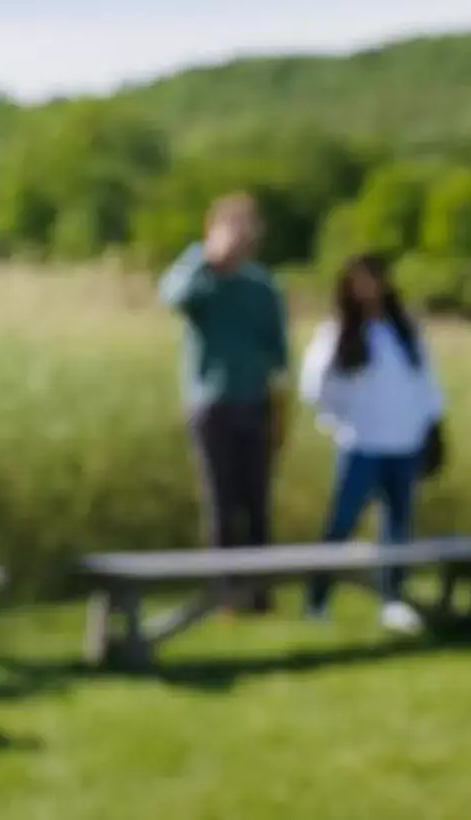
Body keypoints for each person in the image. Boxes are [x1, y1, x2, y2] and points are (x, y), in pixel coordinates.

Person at [296, 253, 447, 633]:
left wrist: (432, 426)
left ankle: (393, 599)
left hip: (404, 444)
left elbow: (425, 384)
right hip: (361, 444)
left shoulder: (403, 330)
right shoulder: (340, 332)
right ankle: (318, 601)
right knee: (342, 525)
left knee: (398, 527)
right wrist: (336, 419)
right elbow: (314, 386)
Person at [158, 192, 291, 611]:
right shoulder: (201, 282)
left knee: (257, 503)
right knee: (221, 504)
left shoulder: (262, 287)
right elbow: (172, 297)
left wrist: (279, 412)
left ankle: (260, 595)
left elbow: (279, 355)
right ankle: (226, 596)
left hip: (256, 404)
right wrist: (206, 255)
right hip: (211, 407)